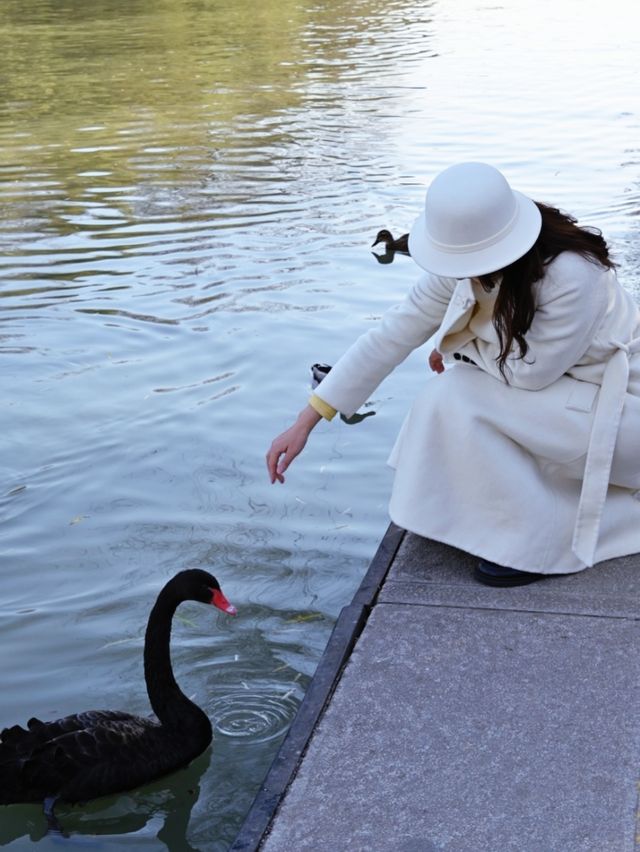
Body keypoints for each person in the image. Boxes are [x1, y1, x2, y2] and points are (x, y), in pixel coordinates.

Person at [266, 162, 640, 586]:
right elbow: (392, 333)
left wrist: (458, 347)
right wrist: (306, 421)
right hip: (569, 412)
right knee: (450, 390)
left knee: (459, 390)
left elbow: (529, 376)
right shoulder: (465, 266)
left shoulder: (572, 276)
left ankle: (536, 541)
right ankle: (493, 517)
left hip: (624, 421)